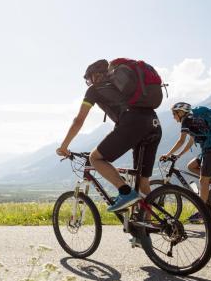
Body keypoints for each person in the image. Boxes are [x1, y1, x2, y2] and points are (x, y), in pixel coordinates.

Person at [56, 59, 162, 212]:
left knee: (95, 158)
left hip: (133, 124)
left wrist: (64, 146)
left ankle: (125, 192)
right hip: (153, 123)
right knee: (142, 181)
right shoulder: (124, 86)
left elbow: (79, 120)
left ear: (95, 76)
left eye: (88, 79)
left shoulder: (94, 90)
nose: (89, 82)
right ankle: (147, 229)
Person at [160, 102, 211, 220]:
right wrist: (178, 155)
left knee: (202, 180)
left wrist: (168, 154)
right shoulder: (193, 120)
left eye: (174, 114)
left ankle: (202, 213)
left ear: (180, 112)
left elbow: (181, 141)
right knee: (191, 166)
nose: (173, 117)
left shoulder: (187, 120)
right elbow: (190, 142)